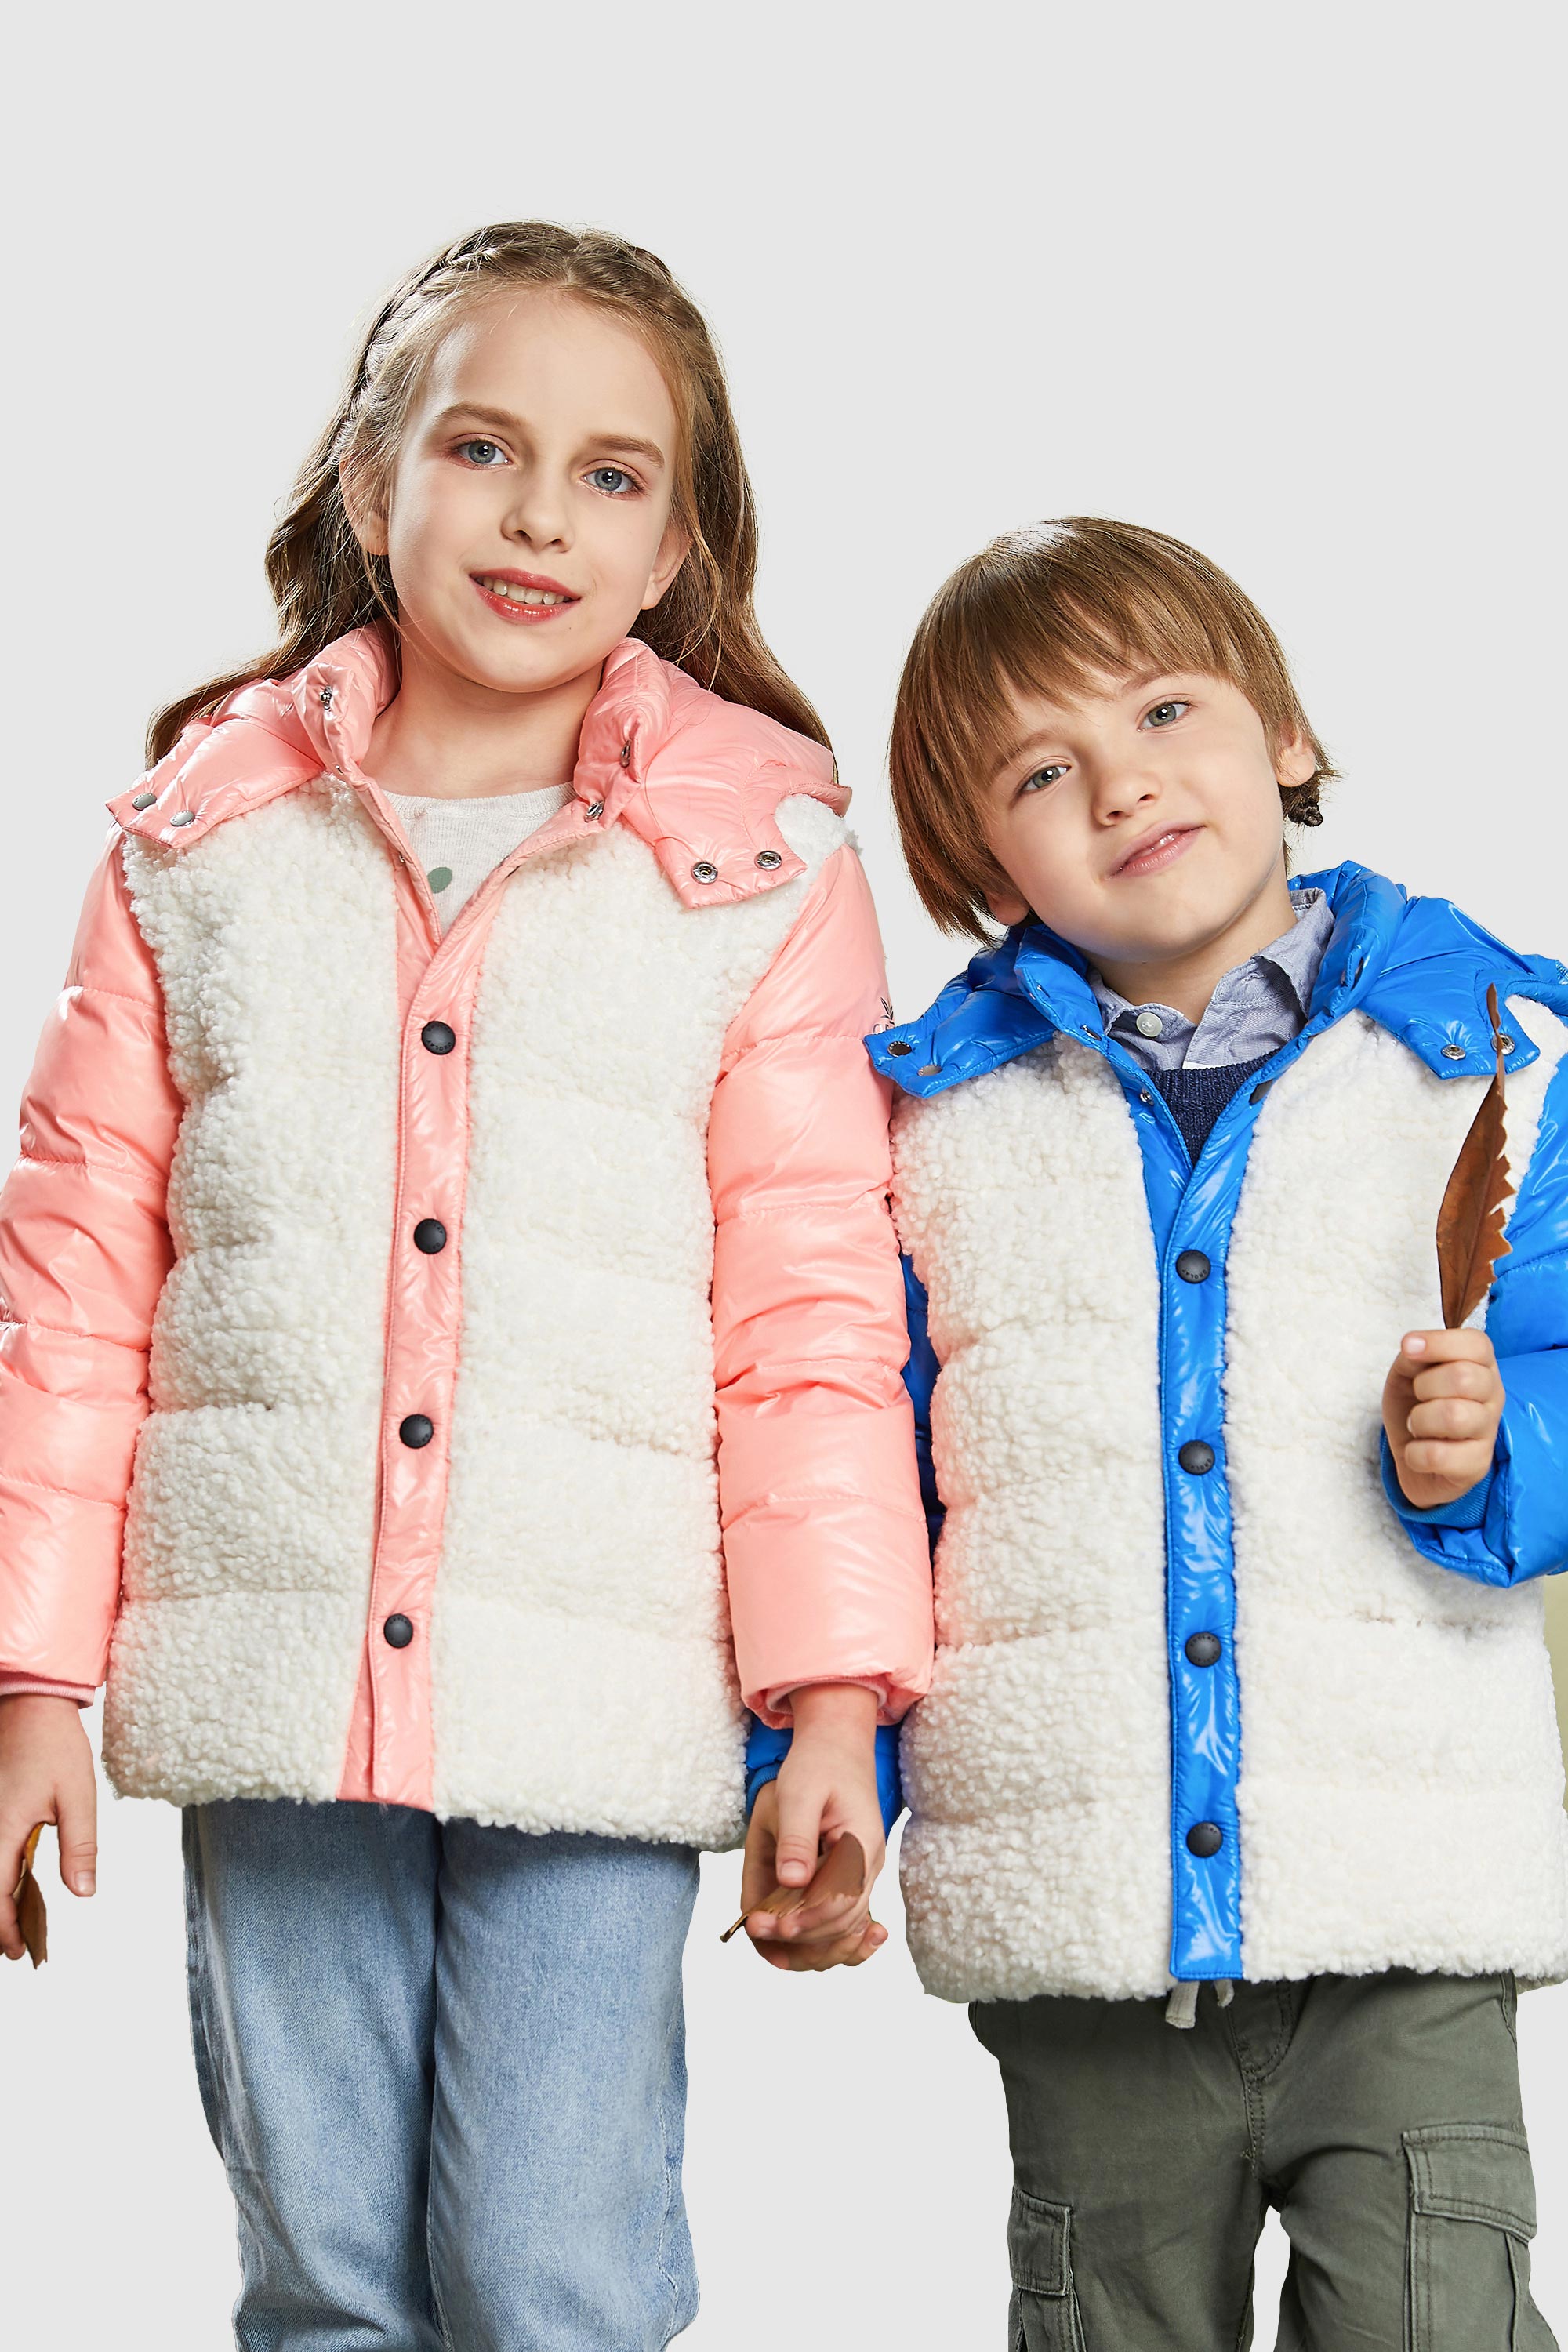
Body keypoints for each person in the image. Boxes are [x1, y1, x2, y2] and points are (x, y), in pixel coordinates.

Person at [0, 220, 933, 2348]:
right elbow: (71, 1281)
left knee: (547, 2270)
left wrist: (837, 1703)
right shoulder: (195, 846)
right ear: (370, 479)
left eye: (612, 473)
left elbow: (813, 1319)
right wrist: (29, 1675)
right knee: (328, 2279)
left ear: (674, 543)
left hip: (603, 1685)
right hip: (268, 1663)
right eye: (483, 447)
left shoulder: (760, 867)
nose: (539, 515)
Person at [746, 517, 1566, 2346]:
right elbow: (849, 1470)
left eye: (1163, 710)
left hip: (1404, 1902)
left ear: (1283, 731)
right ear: (978, 860)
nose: (1120, 783)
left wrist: (1502, 1446)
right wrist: (817, 1766)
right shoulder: (930, 1128)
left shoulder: (1487, 1055)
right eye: (1040, 772)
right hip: (1084, 1910)